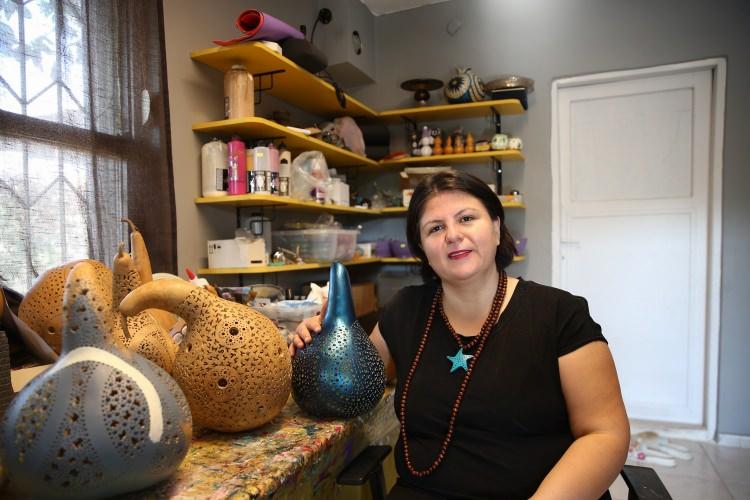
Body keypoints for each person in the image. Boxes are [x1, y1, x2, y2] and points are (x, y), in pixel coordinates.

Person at [290, 171, 630, 499]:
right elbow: (348, 387)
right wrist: (318, 345)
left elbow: (604, 434)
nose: (452, 235)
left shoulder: (559, 314)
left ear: (496, 227)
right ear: (422, 248)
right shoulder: (404, 310)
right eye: (435, 228)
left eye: (466, 218)